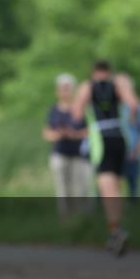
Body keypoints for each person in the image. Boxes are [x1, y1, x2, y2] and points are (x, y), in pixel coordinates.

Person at [71, 61, 140, 256]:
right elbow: (134, 106)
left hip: (101, 139)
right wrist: (131, 118)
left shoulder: (88, 86)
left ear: (94, 72)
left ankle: (116, 231)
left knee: (106, 187)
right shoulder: (118, 85)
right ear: (109, 72)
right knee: (117, 187)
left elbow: (76, 113)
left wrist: (84, 118)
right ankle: (118, 228)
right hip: (119, 137)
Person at [43, 74, 92, 219]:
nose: (65, 91)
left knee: (81, 189)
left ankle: (83, 220)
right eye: (62, 89)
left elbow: (91, 131)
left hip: (80, 155)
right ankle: (66, 219)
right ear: (57, 91)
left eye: (68, 88)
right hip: (60, 154)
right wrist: (58, 135)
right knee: (63, 190)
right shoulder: (54, 110)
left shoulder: (82, 109)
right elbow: (47, 132)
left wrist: (74, 135)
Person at [115, 74, 140, 199]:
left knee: (133, 189)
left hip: (132, 155)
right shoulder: (111, 108)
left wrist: (137, 151)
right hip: (113, 155)